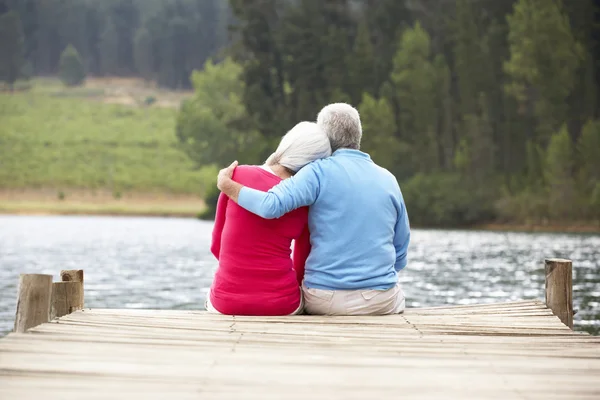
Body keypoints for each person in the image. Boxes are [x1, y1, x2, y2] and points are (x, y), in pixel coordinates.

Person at [217, 103, 410, 316]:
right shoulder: (389, 179)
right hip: (378, 300)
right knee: (398, 294)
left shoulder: (316, 173)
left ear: (324, 138)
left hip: (324, 298)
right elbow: (400, 249)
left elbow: (270, 205)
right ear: (359, 135)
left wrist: (227, 186)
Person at [207, 121, 332, 316]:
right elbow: (302, 263)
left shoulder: (235, 176)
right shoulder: (305, 201)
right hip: (282, 304)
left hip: (226, 301)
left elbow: (217, 246)